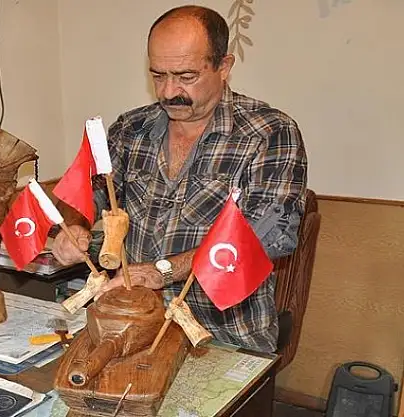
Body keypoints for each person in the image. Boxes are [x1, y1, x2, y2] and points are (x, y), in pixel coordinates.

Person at [51, 5, 308, 353]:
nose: (169, 91)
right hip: (134, 322)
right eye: (158, 76)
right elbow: (91, 193)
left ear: (224, 67)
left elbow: (265, 238)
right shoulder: (131, 128)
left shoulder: (269, 132)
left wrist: (163, 270)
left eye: (186, 76)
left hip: (222, 333)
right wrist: (74, 227)